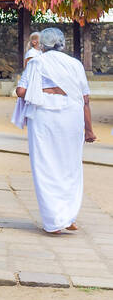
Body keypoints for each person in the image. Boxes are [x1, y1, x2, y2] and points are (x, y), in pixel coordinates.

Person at [14, 28, 92, 234]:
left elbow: (21, 91)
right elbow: (85, 99)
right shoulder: (76, 64)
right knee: (70, 166)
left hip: (44, 118)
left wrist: (47, 91)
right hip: (72, 118)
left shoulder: (37, 62)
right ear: (63, 44)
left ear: (42, 45)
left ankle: (54, 220)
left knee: (46, 166)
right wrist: (89, 129)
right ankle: (68, 216)